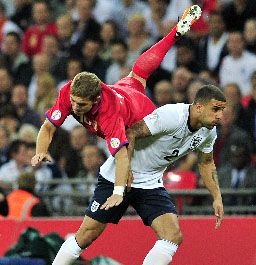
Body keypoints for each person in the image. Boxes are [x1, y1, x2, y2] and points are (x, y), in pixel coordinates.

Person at [48, 5, 205, 265]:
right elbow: (144, 66)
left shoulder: (117, 107)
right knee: (86, 236)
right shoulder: (132, 92)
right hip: (119, 175)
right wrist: (174, 34)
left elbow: (128, 136)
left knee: (172, 235)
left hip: (142, 177)